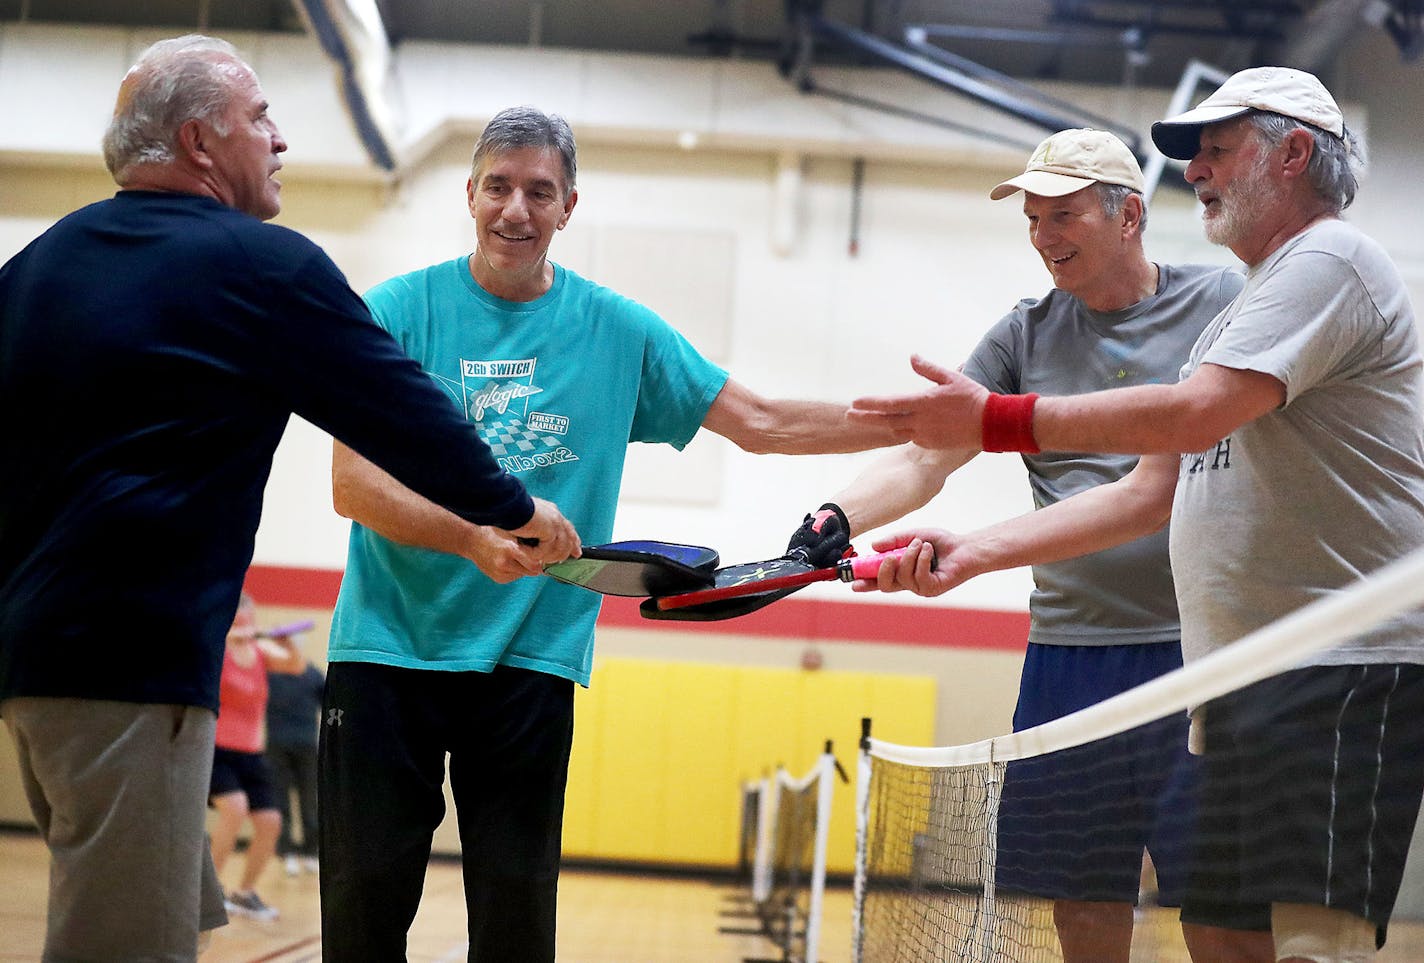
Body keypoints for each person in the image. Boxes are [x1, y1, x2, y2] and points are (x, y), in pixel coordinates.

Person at [0, 35, 578, 962]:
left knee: (145, 914)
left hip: (33, 670)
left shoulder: (36, 266)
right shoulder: (261, 268)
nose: (279, 140)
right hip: (133, 675)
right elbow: (403, 413)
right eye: (259, 118)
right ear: (198, 141)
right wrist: (515, 509)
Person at [851, 66, 1424, 963]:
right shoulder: (1242, 309)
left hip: (1333, 666)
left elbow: (1191, 416)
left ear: (1296, 155)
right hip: (1240, 674)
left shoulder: (1330, 261)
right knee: (1234, 936)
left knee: (1310, 943)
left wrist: (1001, 419)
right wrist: (969, 551)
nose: (1196, 171)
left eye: (1218, 151)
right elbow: (1146, 491)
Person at [319, 105, 901, 962]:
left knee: (516, 916)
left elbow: (763, 421)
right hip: (387, 649)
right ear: (470, 193)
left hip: (530, 657)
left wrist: (917, 423)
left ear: (568, 207)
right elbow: (352, 485)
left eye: (539, 191)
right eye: (499, 187)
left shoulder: (618, 331)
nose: (516, 208)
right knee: (365, 907)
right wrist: (473, 539)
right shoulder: (398, 309)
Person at [782, 128, 1243, 963]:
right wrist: (832, 518)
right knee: (1083, 904)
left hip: (1203, 651)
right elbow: (930, 453)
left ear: (1130, 214)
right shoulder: (1023, 334)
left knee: (1222, 911)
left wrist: (972, 550)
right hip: (1069, 656)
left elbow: (1160, 488)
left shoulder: (1222, 302)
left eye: (1063, 216)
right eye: (1033, 220)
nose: (1044, 237)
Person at [210, 593, 307, 921]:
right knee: (234, 809)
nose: (245, 623)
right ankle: (207, 892)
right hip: (217, 751)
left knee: (270, 822)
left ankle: (245, 893)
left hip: (251, 753)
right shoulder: (217, 647)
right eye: (239, 618)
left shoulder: (260, 651)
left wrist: (287, 642)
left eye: (248, 617)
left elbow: (295, 665)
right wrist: (229, 635)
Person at [264, 629, 325, 878]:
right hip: (277, 746)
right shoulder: (269, 675)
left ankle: (312, 852)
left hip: (307, 746)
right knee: (280, 802)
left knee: (310, 801)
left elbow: (329, 705)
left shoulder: (311, 674)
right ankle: (287, 852)